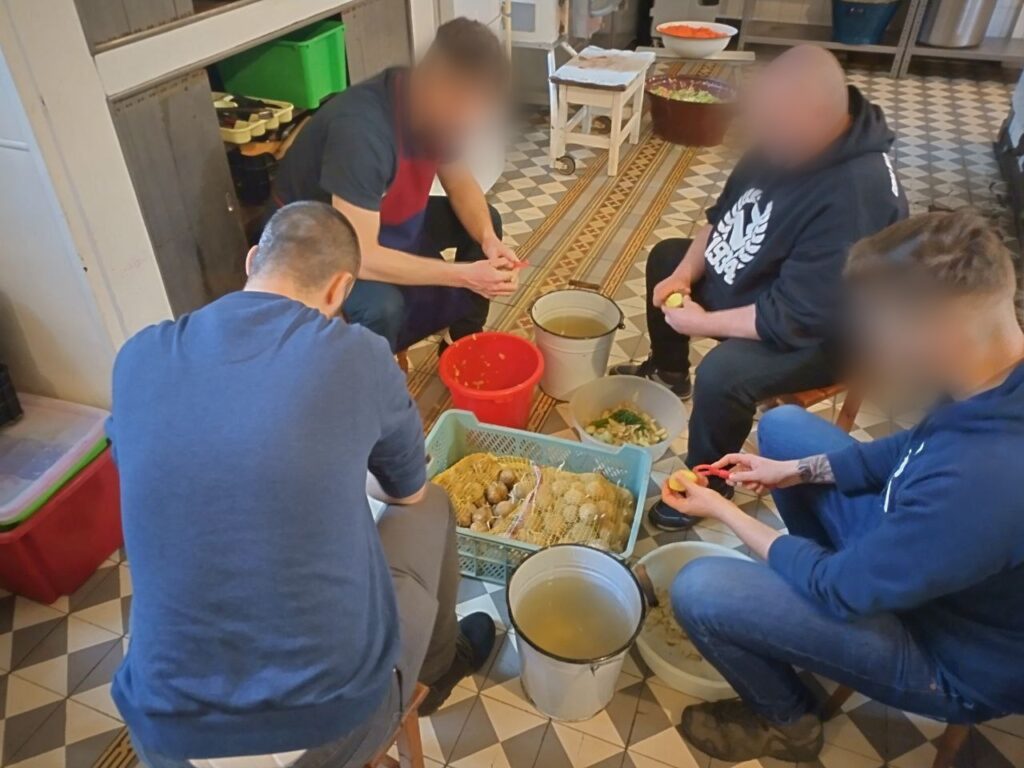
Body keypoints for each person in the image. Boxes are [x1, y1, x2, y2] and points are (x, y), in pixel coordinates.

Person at [107, 202, 496, 767]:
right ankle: (438, 668)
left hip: (163, 734)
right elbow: (403, 492)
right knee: (431, 505)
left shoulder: (137, 356)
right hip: (328, 727)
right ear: (340, 289)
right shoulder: (359, 355)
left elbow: (174, 474)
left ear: (251, 261)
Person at [659, 211, 1024, 763]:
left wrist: (722, 509)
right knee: (785, 429)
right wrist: (794, 471)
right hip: (916, 563)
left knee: (700, 589)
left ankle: (787, 721)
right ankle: (808, 606)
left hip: (947, 651)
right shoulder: (991, 374)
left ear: (938, 333)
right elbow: (909, 450)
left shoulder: (984, 481)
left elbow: (839, 588)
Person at [613, 45, 908, 529]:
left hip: (825, 335)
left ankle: (710, 481)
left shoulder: (857, 195)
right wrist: (683, 274)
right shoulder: (784, 141)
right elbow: (719, 220)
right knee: (667, 256)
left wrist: (704, 321)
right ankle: (670, 372)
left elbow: (794, 316)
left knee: (724, 373)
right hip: (772, 287)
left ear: (816, 120)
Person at [272, 17, 518, 352]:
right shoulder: (362, 131)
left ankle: (461, 343)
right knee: (382, 306)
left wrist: (488, 240)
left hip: (378, 220)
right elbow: (362, 257)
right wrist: (465, 275)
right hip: (316, 243)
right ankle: (372, 372)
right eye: (461, 115)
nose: (463, 127)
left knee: (486, 221)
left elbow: (459, 181)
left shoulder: (438, 109)